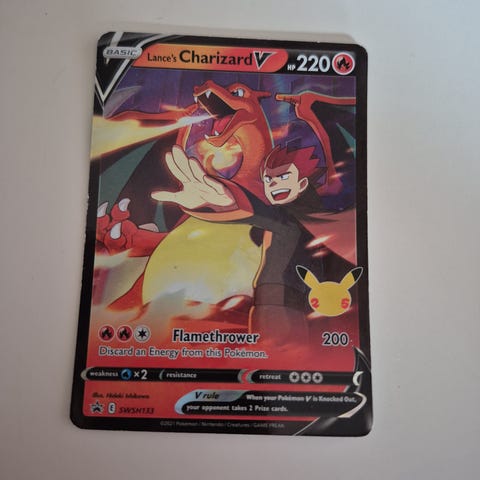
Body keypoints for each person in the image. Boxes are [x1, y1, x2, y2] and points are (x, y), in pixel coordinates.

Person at [152, 145, 332, 344]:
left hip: (284, 305)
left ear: (303, 183)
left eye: (282, 177)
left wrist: (226, 202)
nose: (273, 184)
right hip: (281, 304)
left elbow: (271, 217)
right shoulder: (297, 221)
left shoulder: (297, 220)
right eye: (268, 179)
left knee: (283, 354)